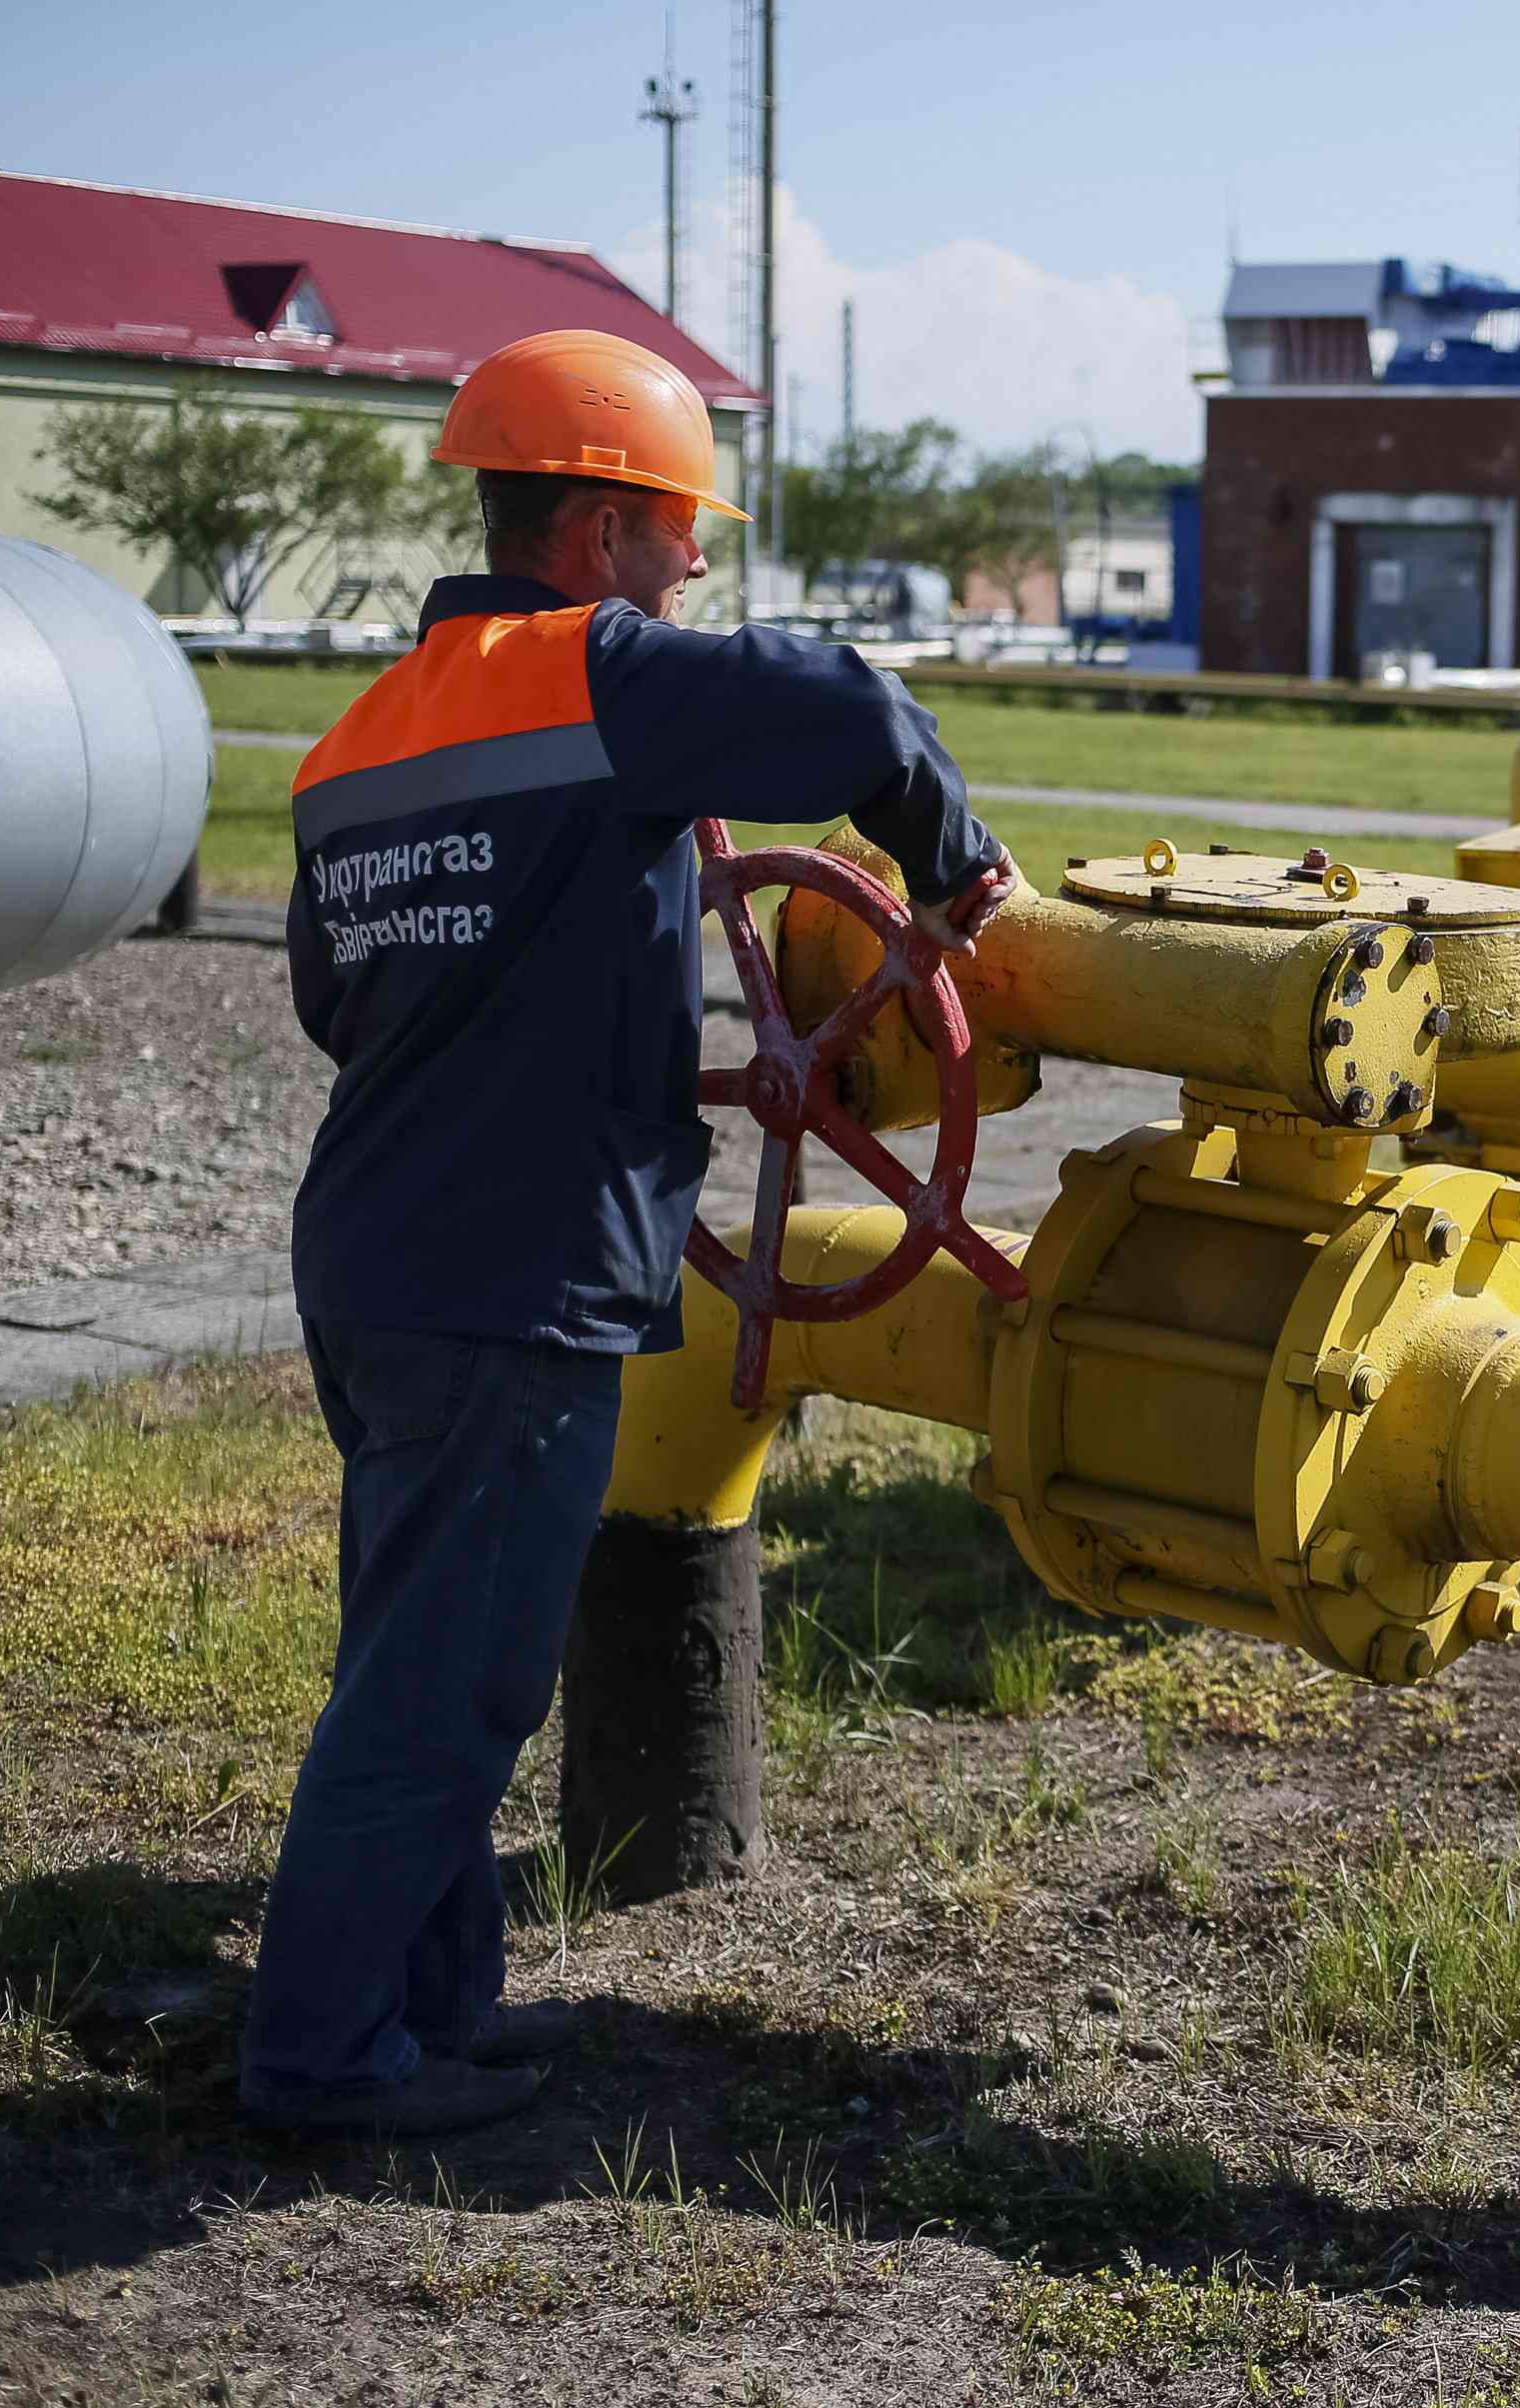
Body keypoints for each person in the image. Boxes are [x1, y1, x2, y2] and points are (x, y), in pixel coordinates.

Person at [238, 328, 1015, 2134]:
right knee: (453, 1682)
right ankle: (318, 2059)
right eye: (676, 538)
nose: (690, 576)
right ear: (593, 532)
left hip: (373, 1252)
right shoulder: (599, 681)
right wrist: (963, 867)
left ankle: (431, 2005)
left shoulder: (354, 743)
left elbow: (330, 1000)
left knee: (411, 1647)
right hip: (513, 1275)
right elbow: (853, 713)